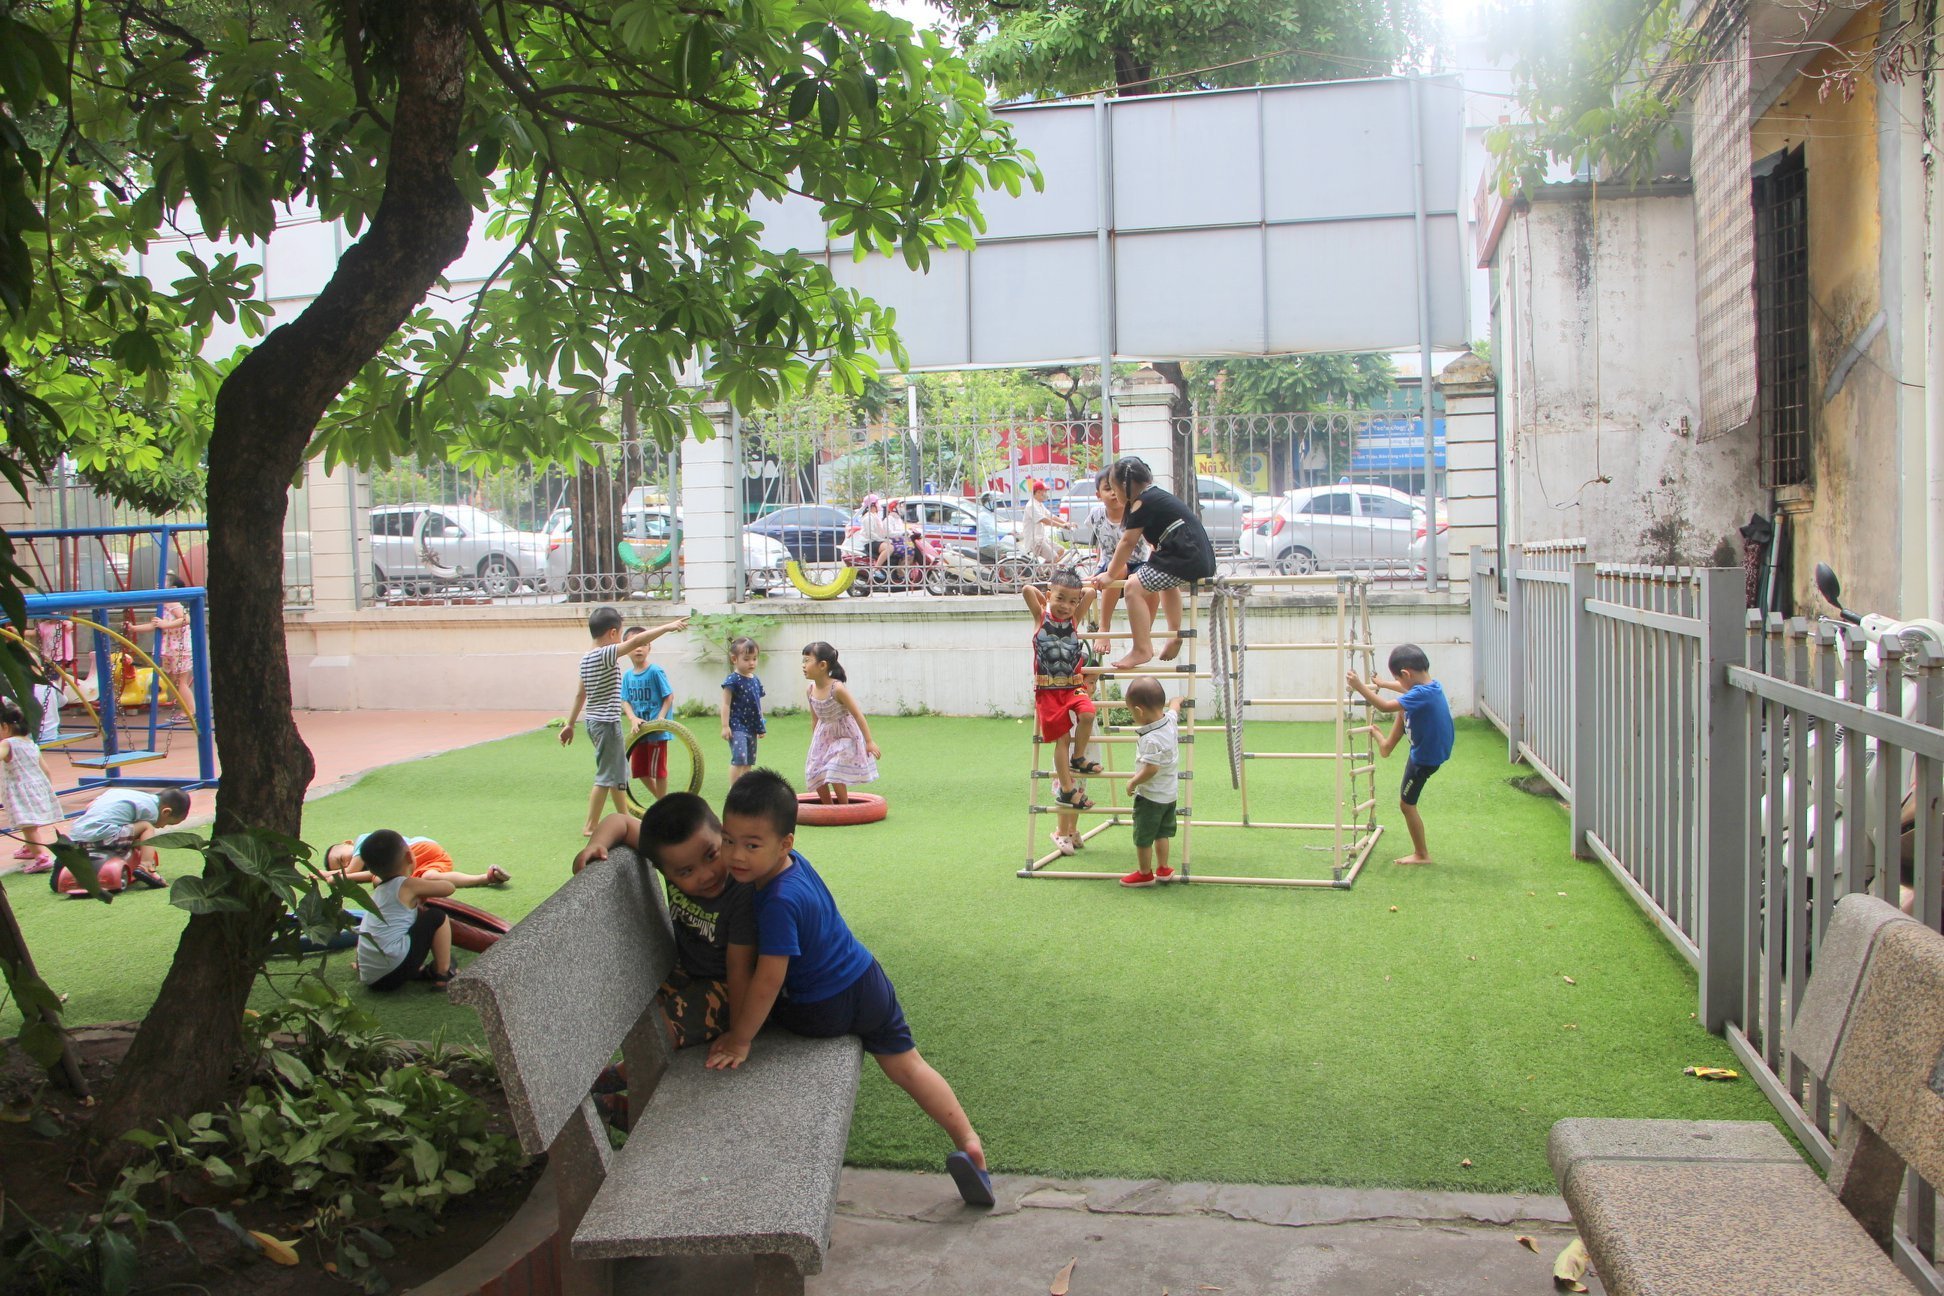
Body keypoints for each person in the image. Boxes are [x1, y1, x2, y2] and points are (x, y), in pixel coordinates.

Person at [704, 770, 993, 1208]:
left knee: (764, 1000)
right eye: (728, 840)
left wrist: (741, 1038)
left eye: (751, 845)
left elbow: (769, 978)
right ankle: (968, 1140)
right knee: (908, 1064)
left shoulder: (777, 901)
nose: (735, 856)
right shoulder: (795, 866)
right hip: (867, 979)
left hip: (824, 1007)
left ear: (785, 844)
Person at [575, 793, 759, 1123]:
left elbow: (740, 968)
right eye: (686, 871)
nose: (706, 874)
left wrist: (739, 1031)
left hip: (731, 987)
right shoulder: (667, 851)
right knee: (632, 1013)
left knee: (657, 1032)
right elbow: (621, 822)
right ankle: (620, 1088)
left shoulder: (741, 890)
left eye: (711, 855)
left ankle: (621, 1097)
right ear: (663, 870)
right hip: (688, 969)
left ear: (723, 834)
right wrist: (596, 845)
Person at [561, 608, 689, 835]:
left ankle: (625, 818)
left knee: (617, 772)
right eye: (621, 634)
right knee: (606, 775)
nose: (622, 641)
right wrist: (668, 627)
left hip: (594, 723)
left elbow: (581, 694)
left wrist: (570, 724)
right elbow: (638, 640)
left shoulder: (586, 659)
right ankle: (591, 825)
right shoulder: (605, 653)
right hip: (606, 724)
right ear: (612, 633)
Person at [1095, 457, 1215, 670]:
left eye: (1114, 488)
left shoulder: (1141, 503)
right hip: (1196, 556)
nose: (1115, 494)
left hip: (1182, 556)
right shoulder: (1155, 496)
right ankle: (1174, 633)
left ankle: (1142, 648)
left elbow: (1127, 542)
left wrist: (1110, 574)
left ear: (1125, 486)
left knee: (1132, 587)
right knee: (1165, 583)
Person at [1348, 643, 1455, 866]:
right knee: (1405, 706)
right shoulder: (1432, 686)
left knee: (1406, 805)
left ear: (1406, 674)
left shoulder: (1420, 694)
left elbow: (1386, 707)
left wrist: (1359, 686)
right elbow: (1406, 690)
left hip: (1424, 760)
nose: (1398, 682)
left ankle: (1422, 854)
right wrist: (1383, 683)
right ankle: (1386, 746)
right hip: (1430, 749)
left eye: (1397, 678)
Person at [1024, 571, 1098, 857]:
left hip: (1073, 687)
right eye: (1060, 598)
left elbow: (1090, 594)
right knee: (1062, 739)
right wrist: (1045, 601)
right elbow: (1027, 590)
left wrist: (1081, 593)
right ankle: (1067, 788)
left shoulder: (1074, 619)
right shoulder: (1040, 618)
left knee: (1088, 714)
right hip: (1048, 690)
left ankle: (1079, 757)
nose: (1066, 606)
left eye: (1072, 601)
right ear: (1049, 596)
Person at [354, 829, 458, 991]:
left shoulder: (377, 893)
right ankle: (443, 974)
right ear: (409, 856)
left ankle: (422, 970)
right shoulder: (408, 885)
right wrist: (422, 888)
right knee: (437, 916)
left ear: (372, 871)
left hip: (372, 979)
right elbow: (448, 888)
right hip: (395, 971)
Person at [1120, 677, 1182, 888]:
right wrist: (1177, 700)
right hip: (1170, 795)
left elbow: (1151, 769)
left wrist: (1133, 782)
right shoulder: (1170, 722)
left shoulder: (1150, 738)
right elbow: (1174, 708)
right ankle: (1163, 868)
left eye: (1132, 712)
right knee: (1162, 833)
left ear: (1139, 711)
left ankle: (1145, 873)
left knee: (1143, 837)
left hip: (1150, 798)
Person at [801, 641, 879, 805]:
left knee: (835, 768)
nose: (803, 665)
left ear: (822, 665)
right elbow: (815, 718)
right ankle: (827, 806)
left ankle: (844, 807)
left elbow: (857, 715)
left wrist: (869, 741)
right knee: (815, 770)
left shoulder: (837, 689)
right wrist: (815, 742)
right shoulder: (810, 690)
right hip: (824, 735)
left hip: (845, 735)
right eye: (803, 661)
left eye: (807, 661)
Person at [1084, 467, 1149, 636]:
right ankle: (1104, 627)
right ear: (1098, 494)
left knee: (1149, 579)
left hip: (1139, 565)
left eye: (1117, 488)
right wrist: (1097, 569)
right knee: (1118, 567)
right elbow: (1100, 542)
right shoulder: (1096, 514)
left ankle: (1144, 635)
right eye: (1108, 489)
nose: (1113, 493)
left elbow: (1151, 542)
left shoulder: (1136, 512)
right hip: (1110, 567)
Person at [0, 697, 61, 873]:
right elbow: (45, 769)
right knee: (30, 822)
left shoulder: (7, 743)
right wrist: (47, 789)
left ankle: (41, 857)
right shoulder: (30, 743)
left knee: (28, 826)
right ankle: (29, 847)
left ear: (5, 727)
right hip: (37, 786)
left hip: (20, 791)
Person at [323, 833, 509, 889]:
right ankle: (484, 878)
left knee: (381, 880)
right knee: (430, 877)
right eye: (341, 866)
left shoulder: (363, 842)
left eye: (342, 859)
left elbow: (353, 872)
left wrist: (328, 875)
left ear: (347, 843)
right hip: (432, 861)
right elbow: (368, 874)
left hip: (418, 850)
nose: (346, 865)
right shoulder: (375, 864)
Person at [125, 579, 196, 723]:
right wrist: (134, 628)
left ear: (173, 588)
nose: (157, 584)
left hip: (179, 647)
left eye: (163, 582)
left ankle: (190, 711)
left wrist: (166, 624)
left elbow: (186, 619)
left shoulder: (172, 603)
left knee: (180, 682)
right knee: (176, 682)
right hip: (171, 648)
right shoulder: (163, 604)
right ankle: (187, 711)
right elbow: (155, 625)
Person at [621, 625, 676, 801]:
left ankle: (663, 804)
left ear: (649, 647)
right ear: (626, 648)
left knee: (658, 771)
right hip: (639, 731)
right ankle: (663, 802)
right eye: (634, 644)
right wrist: (632, 718)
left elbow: (668, 696)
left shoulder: (655, 671)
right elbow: (625, 700)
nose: (639, 648)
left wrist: (660, 719)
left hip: (656, 732)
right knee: (639, 771)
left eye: (643, 644)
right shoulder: (627, 676)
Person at [720, 636, 766, 785]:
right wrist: (725, 726)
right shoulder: (732, 680)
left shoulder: (755, 680)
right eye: (746, 659)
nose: (751, 663)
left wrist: (761, 725)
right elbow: (725, 704)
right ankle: (734, 789)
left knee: (749, 761)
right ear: (734, 659)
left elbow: (757, 703)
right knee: (740, 758)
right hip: (737, 726)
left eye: (754, 658)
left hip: (751, 726)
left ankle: (745, 789)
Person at [1018, 478, 1067, 565]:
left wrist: (1065, 523)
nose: (1046, 494)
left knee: (1060, 550)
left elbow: (1051, 516)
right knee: (1054, 557)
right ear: (1038, 492)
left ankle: (1046, 570)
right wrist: (1062, 525)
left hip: (1042, 539)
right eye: (1045, 492)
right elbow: (1044, 520)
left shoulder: (1039, 504)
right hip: (1035, 541)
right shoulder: (1031, 506)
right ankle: (1045, 572)